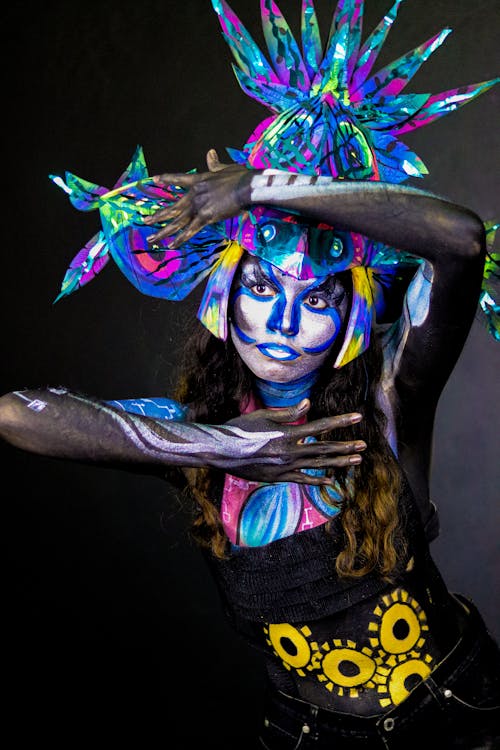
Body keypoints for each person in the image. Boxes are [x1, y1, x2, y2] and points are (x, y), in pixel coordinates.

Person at [1, 0, 499, 747]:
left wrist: (262, 187)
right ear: (222, 294)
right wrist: (226, 447)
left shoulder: (393, 401)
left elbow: (460, 243)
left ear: (355, 316)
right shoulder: (192, 438)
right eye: (263, 287)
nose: (286, 322)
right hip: (302, 734)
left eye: (318, 298)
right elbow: (14, 412)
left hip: (455, 719)